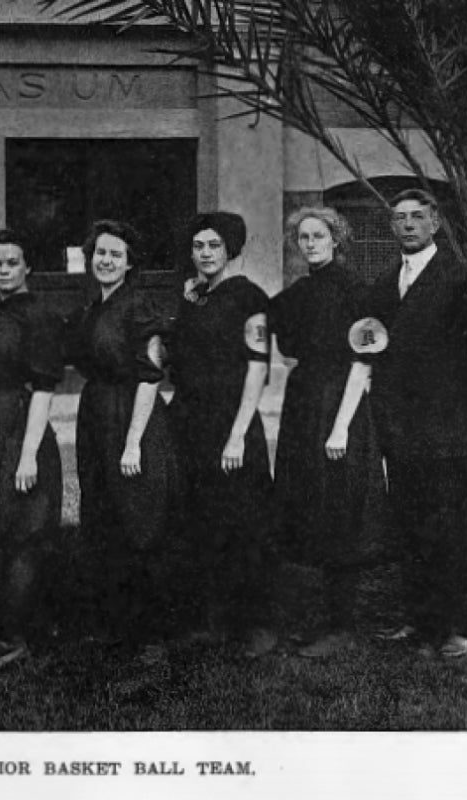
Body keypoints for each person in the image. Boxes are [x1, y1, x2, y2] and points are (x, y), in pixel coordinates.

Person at [366, 189, 467, 659]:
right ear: (392, 227)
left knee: (450, 530)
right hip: (401, 430)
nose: (407, 224)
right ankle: (418, 618)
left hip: (445, 430)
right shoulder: (386, 282)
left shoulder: (461, 278)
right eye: (399, 217)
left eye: (417, 217)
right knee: (410, 526)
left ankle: (456, 627)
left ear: (436, 223)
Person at [269, 207, 388, 659]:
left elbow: (363, 360)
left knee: (340, 509)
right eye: (304, 237)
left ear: (337, 239)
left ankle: (342, 625)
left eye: (320, 236)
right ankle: (322, 620)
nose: (311, 243)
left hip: (342, 407)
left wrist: (340, 427)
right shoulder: (298, 293)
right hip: (304, 405)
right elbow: (264, 324)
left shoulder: (355, 290)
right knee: (312, 505)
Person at [66, 219, 179, 660]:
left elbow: (150, 378)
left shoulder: (139, 307)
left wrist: (133, 442)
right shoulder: (94, 305)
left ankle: (152, 635)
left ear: (130, 262)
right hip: (97, 414)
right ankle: (117, 623)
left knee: (140, 518)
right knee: (105, 517)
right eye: (100, 253)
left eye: (116, 254)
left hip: (133, 417)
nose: (107, 261)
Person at [169, 211, 277, 658]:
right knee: (199, 522)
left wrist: (236, 436)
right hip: (190, 421)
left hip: (232, 424)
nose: (206, 253)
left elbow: (257, 369)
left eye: (214, 246)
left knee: (243, 524)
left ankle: (256, 625)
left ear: (230, 249)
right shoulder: (193, 297)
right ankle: (212, 620)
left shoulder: (248, 297)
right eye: (199, 246)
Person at [0, 229, 65, 673]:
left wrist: (27, 454)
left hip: (18, 426)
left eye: (11, 263)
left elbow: (42, 387)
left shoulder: (37, 315)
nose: (2, 270)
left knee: (22, 533)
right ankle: (6, 625)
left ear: (28, 268)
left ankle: (14, 637)